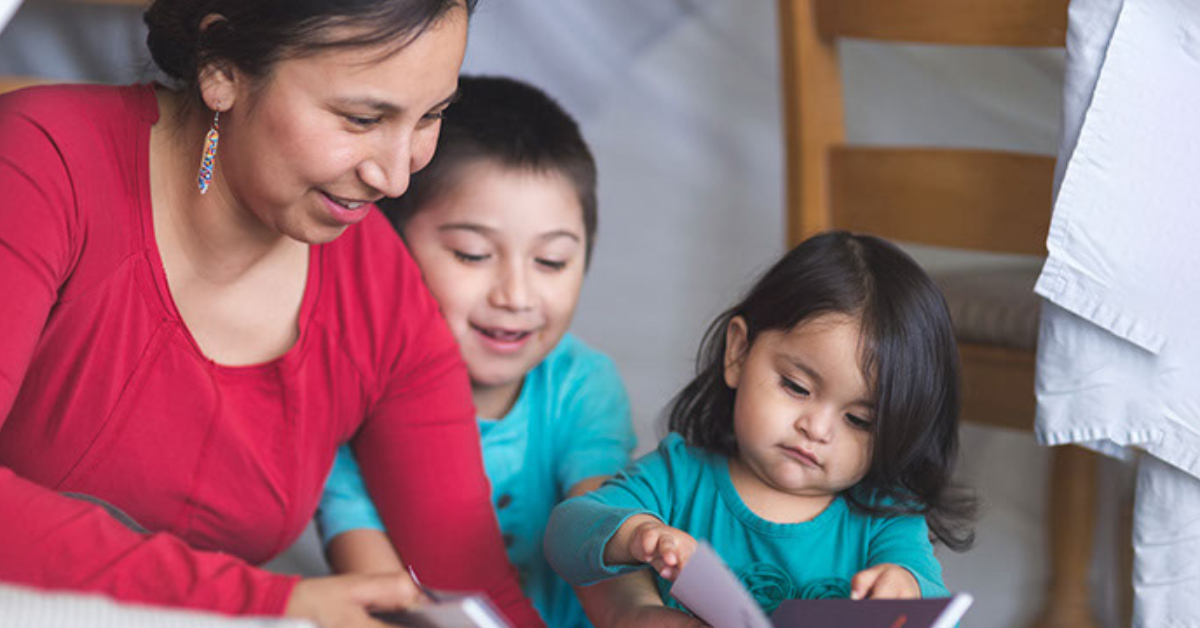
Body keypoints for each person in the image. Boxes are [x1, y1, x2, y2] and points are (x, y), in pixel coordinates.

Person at [0, 2, 545, 627]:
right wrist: (272, 604)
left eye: (432, 116)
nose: (395, 177)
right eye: (361, 118)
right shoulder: (40, 163)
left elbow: (476, 591)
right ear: (222, 68)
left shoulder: (381, 295)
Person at [315, 75, 637, 628]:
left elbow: (601, 536)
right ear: (388, 247)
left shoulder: (583, 386)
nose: (514, 296)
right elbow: (379, 590)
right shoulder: (348, 398)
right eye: (472, 254)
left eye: (552, 262)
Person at [544, 231, 976, 617]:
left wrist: (905, 588)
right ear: (738, 352)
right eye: (796, 386)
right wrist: (636, 533)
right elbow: (565, 532)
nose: (817, 428)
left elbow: (933, 601)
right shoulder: (679, 476)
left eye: (859, 420)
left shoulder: (885, 519)